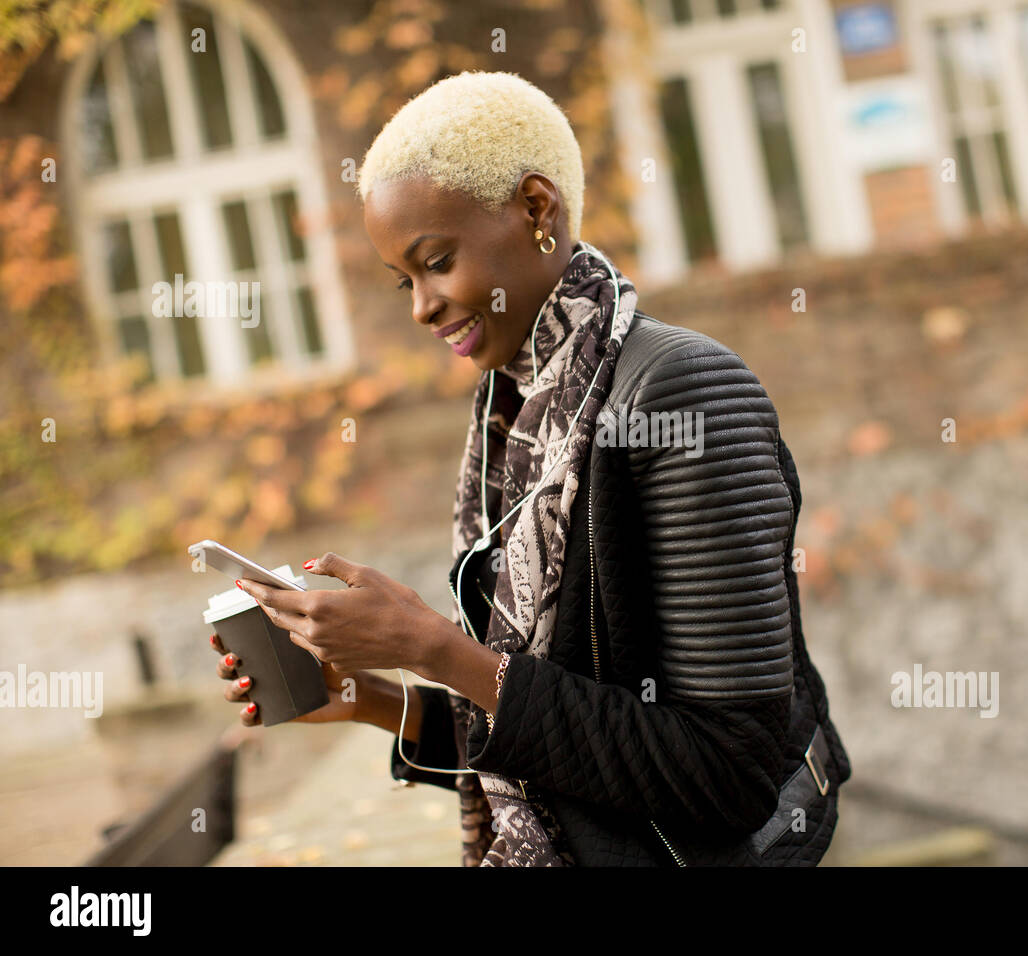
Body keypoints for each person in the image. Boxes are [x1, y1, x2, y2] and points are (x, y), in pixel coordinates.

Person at [211, 70, 850, 866]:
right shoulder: (516, 412)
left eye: (436, 261)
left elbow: (725, 774)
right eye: (405, 280)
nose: (420, 306)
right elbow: (558, 748)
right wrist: (371, 699)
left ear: (537, 210)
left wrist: (433, 648)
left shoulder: (680, 392)